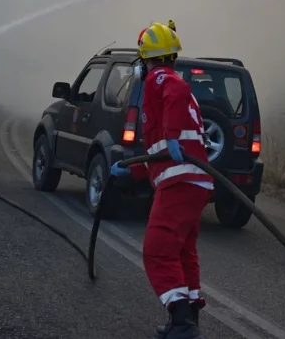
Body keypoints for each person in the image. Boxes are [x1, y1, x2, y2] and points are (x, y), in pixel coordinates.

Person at [110, 21, 213, 339]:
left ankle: (181, 323)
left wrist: (170, 137)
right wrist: (135, 170)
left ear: (147, 59)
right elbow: (157, 151)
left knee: (157, 250)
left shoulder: (160, 78)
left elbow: (178, 92)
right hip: (194, 181)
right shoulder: (167, 86)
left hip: (179, 181)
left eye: (141, 60)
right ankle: (188, 319)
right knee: (183, 252)